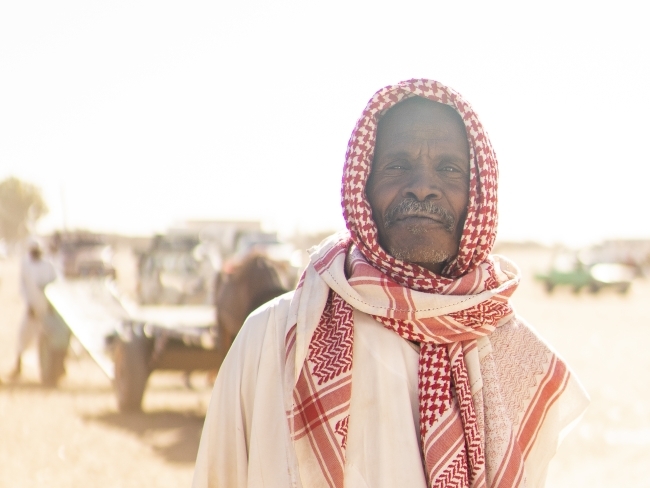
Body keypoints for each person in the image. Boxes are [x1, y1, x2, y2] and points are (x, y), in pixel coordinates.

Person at [192, 79, 589, 488]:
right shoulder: (274, 336)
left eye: (449, 168)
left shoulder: (517, 357)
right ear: (363, 185)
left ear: (478, 192)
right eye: (397, 165)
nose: (422, 185)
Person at [8, 238, 57, 380]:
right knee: (23, 336)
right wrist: (29, 304)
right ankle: (18, 366)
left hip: (47, 311)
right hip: (32, 310)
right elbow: (23, 287)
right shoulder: (25, 264)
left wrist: (51, 306)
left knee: (51, 341)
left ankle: (54, 370)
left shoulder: (49, 265)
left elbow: (55, 285)